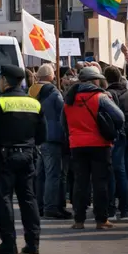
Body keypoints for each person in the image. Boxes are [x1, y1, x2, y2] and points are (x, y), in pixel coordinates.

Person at [0, 64, 46, 254]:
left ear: (5, 81)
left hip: (4, 157)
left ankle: (8, 243)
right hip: (28, 155)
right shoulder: (34, 103)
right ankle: (33, 243)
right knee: (28, 199)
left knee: (3, 200)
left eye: (0, 78)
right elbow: (42, 134)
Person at [61, 66, 124, 230]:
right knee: (100, 183)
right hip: (99, 145)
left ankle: (79, 220)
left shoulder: (69, 99)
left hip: (77, 145)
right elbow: (120, 117)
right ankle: (101, 219)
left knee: (80, 183)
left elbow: (64, 123)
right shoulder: (100, 97)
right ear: (93, 81)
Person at [105, 65, 128, 220]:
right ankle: (126, 209)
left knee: (115, 172)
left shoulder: (108, 95)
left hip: (117, 138)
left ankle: (113, 209)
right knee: (127, 173)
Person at [34, 64, 70, 220]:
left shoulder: (32, 92)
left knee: (41, 174)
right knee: (53, 174)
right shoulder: (54, 93)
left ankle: (40, 205)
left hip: (40, 137)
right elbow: (64, 113)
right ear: (50, 76)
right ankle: (51, 207)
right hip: (54, 137)